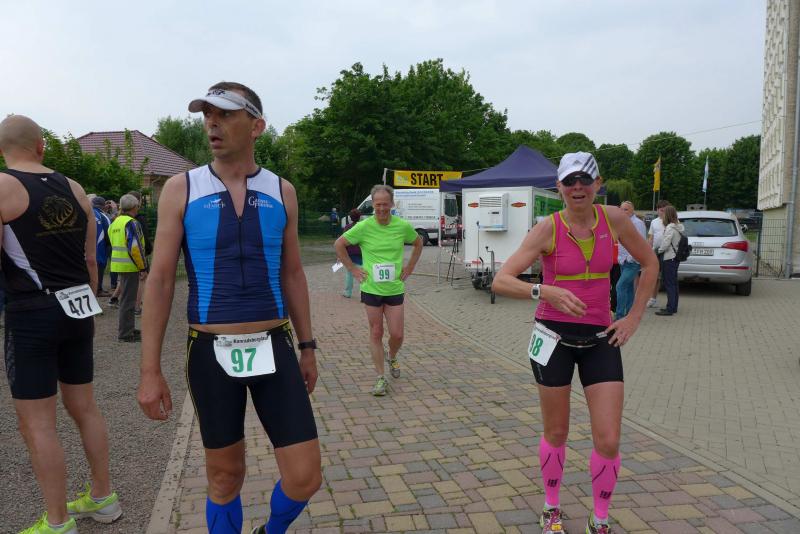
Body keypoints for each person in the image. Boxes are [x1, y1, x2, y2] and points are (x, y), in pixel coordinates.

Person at [137, 81, 321, 534]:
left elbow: (293, 274)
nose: (212, 124)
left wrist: (308, 346)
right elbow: (160, 281)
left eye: (224, 114)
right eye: (207, 115)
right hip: (210, 351)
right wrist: (149, 370)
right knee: (225, 476)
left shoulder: (282, 190)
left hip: (273, 346)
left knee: (305, 477)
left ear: (256, 126)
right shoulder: (181, 188)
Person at [492, 152, 657, 534]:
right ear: (559, 187)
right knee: (557, 432)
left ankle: (600, 519)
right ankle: (551, 508)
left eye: (585, 180)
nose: (578, 187)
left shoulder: (615, 219)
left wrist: (633, 317)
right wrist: (543, 290)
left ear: (598, 184)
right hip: (553, 339)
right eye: (570, 181)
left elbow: (650, 263)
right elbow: (502, 280)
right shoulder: (547, 228)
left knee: (609, 439)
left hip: (600, 337)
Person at [0, 115, 122, 534]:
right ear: (41, 146)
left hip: (32, 313)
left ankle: (57, 522)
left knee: (37, 422)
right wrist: (88, 301)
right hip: (78, 306)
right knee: (85, 407)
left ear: (3, 150)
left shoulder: (4, 187)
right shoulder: (74, 188)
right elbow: (90, 259)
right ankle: (103, 497)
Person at [334, 185, 423, 396]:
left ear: (392, 204)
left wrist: (410, 267)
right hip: (371, 288)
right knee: (376, 332)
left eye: (385, 204)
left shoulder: (402, 226)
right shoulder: (364, 226)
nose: (381, 208)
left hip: (394, 288)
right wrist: (353, 269)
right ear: (373, 205)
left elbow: (418, 243)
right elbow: (339, 244)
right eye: (377, 205)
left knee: (397, 334)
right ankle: (380, 378)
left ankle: (392, 355)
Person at [108, 194, 147, 342]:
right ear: (134, 207)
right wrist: (143, 267)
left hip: (119, 264)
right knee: (128, 301)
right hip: (130, 265)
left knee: (126, 299)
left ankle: (128, 328)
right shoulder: (131, 223)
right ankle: (125, 333)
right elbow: (135, 248)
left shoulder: (115, 222)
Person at [615, 201, 647, 319]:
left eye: (626, 209)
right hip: (623, 260)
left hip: (632, 261)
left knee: (620, 286)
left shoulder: (638, 223)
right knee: (628, 288)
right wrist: (621, 257)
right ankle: (629, 313)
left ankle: (619, 315)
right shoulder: (621, 222)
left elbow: (641, 242)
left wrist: (632, 258)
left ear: (632, 210)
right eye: (621, 209)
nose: (623, 212)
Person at [656, 205, 684, 316]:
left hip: (669, 258)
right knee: (674, 283)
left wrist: (658, 251)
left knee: (669, 284)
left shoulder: (670, 228)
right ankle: (673, 306)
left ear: (667, 215)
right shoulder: (678, 226)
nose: (662, 215)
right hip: (675, 257)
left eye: (664, 213)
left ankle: (670, 308)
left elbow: (665, 244)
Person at [126, 191, 151, 315]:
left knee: (125, 283)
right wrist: (148, 251)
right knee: (142, 279)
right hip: (137, 256)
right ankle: (137, 307)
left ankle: (115, 299)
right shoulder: (138, 220)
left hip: (120, 260)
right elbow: (142, 239)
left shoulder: (119, 220)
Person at [646, 200, 670, 308]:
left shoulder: (672, 221)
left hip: (668, 252)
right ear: (657, 210)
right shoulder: (654, 222)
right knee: (655, 276)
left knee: (667, 277)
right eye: (661, 210)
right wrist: (648, 250)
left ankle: (670, 302)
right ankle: (652, 298)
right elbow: (651, 237)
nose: (663, 212)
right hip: (655, 251)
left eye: (665, 210)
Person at [91, 196, 112, 297]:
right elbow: (109, 233)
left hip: (89, 245)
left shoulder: (89, 213)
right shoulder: (103, 216)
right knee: (100, 266)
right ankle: (98, 289)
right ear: (103, 206)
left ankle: (92, 288)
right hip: (101, 246)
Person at [341, 209, 362, 298]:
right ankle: (363, 294)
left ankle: (348, 292)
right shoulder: (362, 227)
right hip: (360, 253)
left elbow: (342, 241)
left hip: (349, 253)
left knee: (349, 273)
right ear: (359, 217)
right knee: (362, 273)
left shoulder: (347, 227)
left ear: (350, 217)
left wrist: (340, 255)